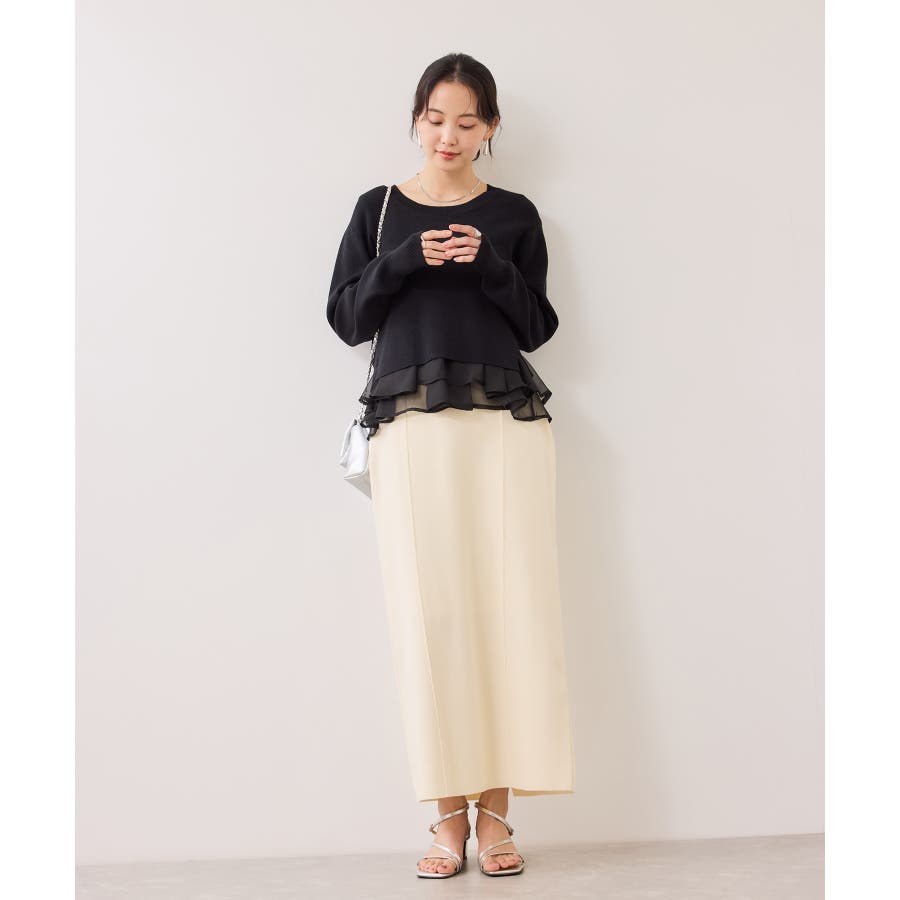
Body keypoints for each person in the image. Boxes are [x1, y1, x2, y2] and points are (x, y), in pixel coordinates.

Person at [327, 53, 575, 879]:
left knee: (510, 610)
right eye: (436, 118)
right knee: (429, 618)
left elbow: (537, 327)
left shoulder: (514, 214)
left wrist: (488, 264)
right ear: (416, 118)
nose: (449, 135)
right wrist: (406, 258)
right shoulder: (379, 209)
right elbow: (345, 318)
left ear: (491, 127)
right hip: (409, 429)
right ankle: (445, 819)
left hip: (505, 427)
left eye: (468, 121)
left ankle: (496, 817)